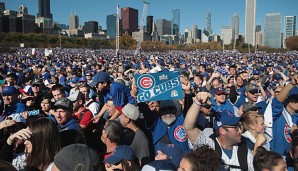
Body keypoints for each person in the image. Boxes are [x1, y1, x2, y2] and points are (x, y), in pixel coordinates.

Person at [184, 92, 254, 170]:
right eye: (236, 127)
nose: (240, 131)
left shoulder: (245, 153)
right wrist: (197, 102)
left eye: (240, 126)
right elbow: (189, 127)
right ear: (222, 131)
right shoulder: (209, 147)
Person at [264, 74, 298, 157]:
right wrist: (291, 84)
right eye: (296, 99)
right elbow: (277, 102)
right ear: (287, 99)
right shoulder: (277, 114)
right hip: (277, 159)